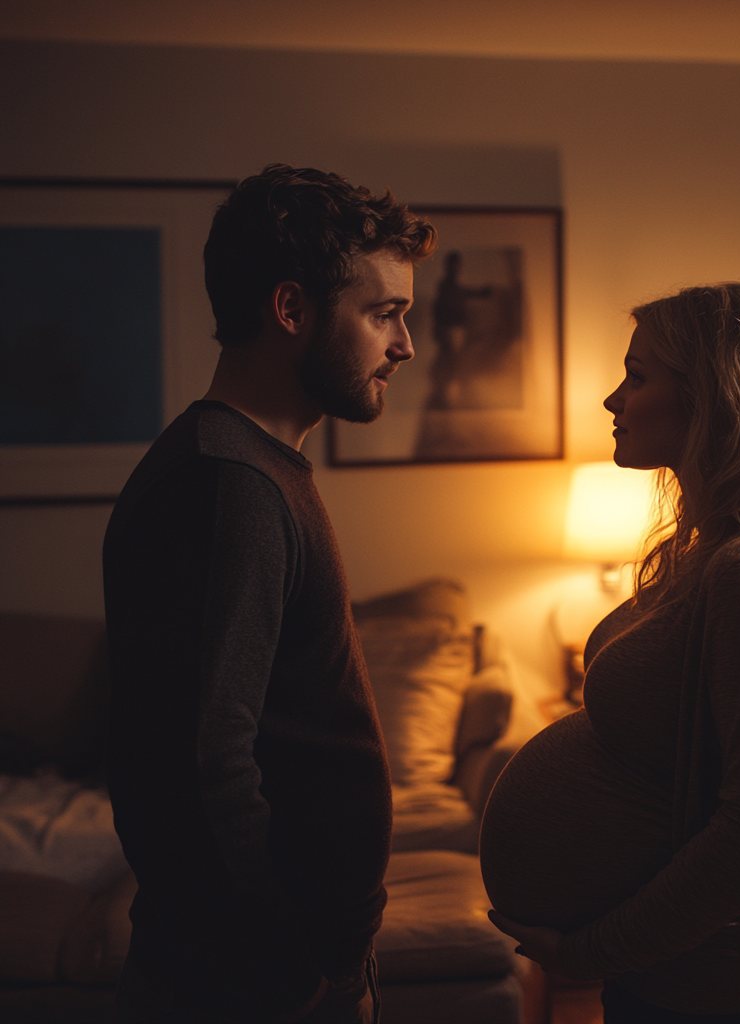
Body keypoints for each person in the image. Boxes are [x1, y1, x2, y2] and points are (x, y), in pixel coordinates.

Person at [481, 283, 740, 1023]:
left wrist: (591, 951)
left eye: (637, 377)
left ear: (715, 398)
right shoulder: (709, 555)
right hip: (681, 979)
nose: (613, 399)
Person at [103, 164, 436, 1023]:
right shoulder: (228, 488)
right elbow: (202, 764)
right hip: (249, 985)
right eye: (383, 313)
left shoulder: (256, 468)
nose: (406, 345)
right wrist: (299, 969)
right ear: (291, 310)